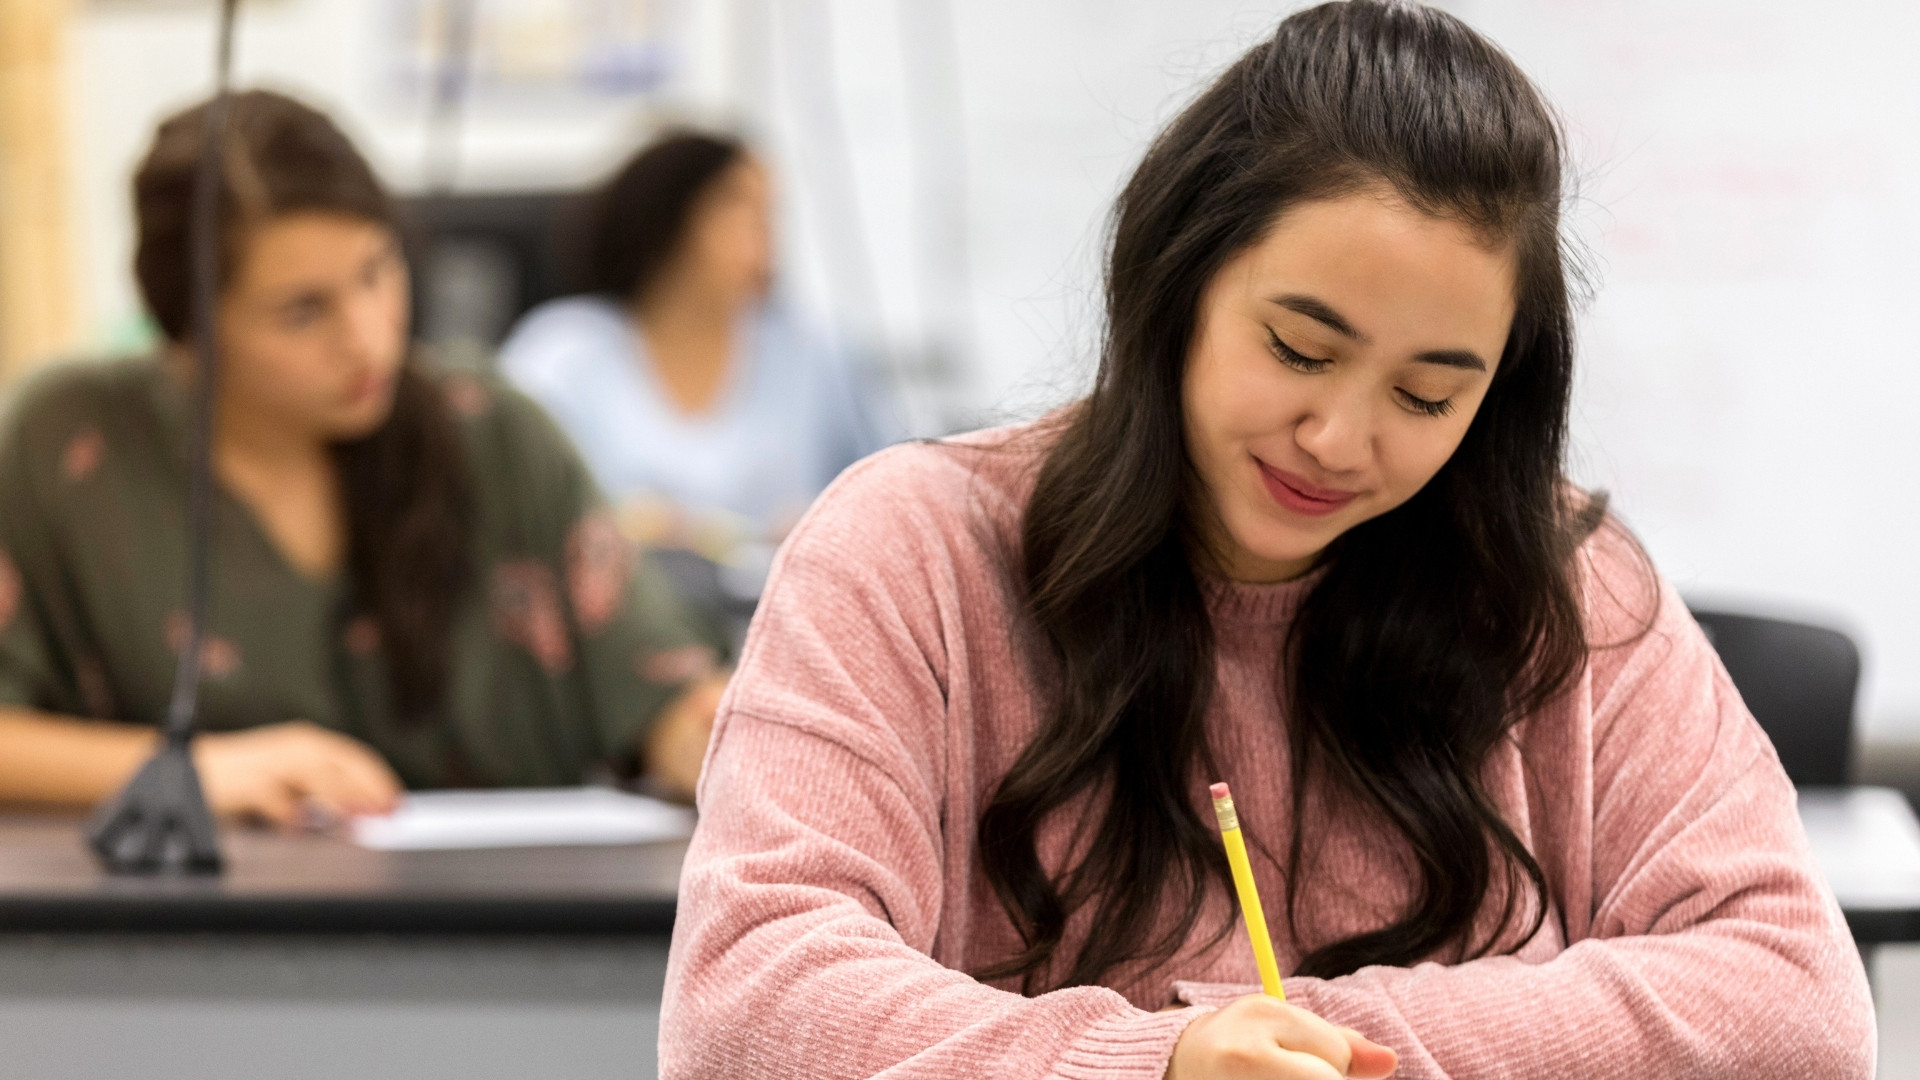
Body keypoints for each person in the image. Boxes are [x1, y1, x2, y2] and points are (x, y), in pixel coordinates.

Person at [659, 4, 1874, 1078]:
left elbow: (1797, 1001)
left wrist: (1332, 1048)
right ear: (1181, 279)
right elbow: (744, 1007)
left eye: (1427, 396)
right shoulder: (909, 551)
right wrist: (1159, 1064)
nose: (1339, 439)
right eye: (1299, 348)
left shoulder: (1564, 587)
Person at [0, 90, 726, 825]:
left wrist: (704, 734)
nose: (368, 338)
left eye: (379, 272)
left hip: (517, 924)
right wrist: (190, 770)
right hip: (175, 936)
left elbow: (661, 696)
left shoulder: (490, 431)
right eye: (303, 311)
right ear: (186, 329)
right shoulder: (67, 444)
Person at [497, 130, 899, 556]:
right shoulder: (560, 356)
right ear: (668, 220)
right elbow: (511, 505)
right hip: (611, 617)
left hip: (783, 610)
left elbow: (892, 503)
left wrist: (828, 527)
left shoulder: (820, 354)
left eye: (770, 214)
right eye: (743, 209)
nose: (766, 235)